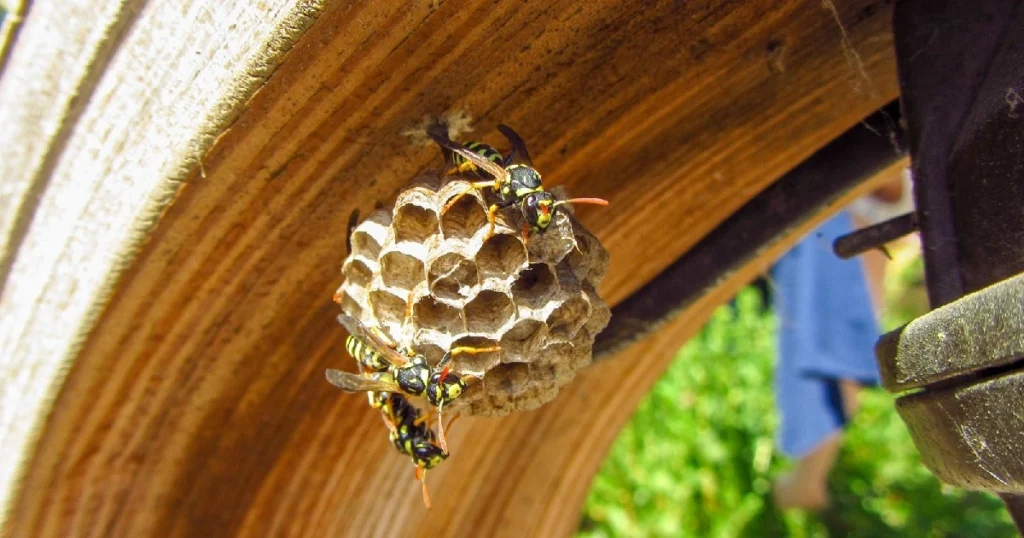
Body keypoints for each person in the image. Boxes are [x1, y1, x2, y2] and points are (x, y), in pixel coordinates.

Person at [770, 169, 912, 510]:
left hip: (844, 225)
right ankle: (807, 477)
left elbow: (891, 184)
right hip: (833, 224)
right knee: (837, 359)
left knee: (840, 359)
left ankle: (809, 478)